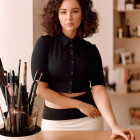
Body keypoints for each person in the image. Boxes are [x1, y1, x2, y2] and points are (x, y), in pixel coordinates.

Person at [31, 0, 135, 139]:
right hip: (55, 123)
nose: (69, 17)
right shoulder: (44, 44)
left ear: (83, 14)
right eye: (63, 12)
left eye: (75, 11)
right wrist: (79, 105)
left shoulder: (91, 50)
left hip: (89, 121)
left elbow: (98, 91)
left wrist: (114, 126)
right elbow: (40, 90)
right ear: (56, 15)